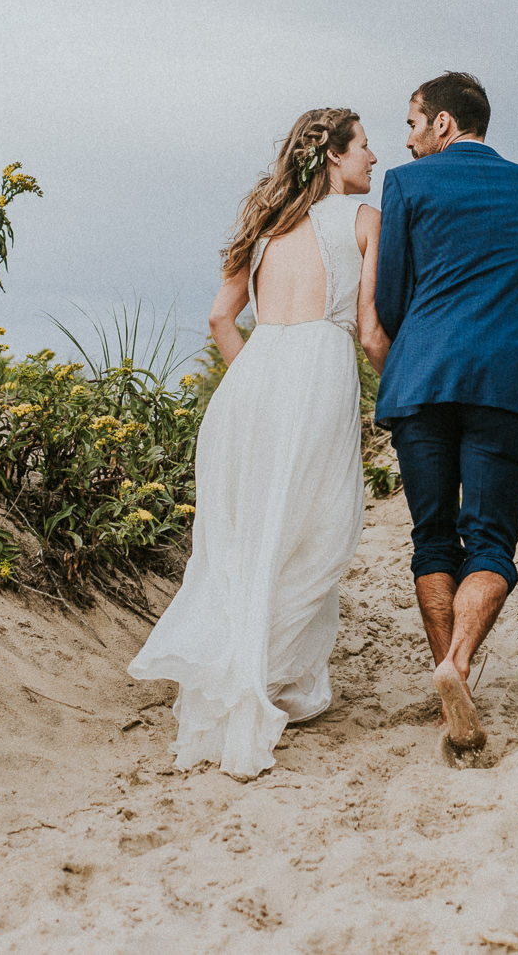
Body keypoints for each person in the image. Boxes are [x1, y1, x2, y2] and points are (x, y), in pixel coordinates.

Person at [129, 108, 389, 778]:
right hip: (318, 381)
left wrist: (254, 380)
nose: (374, 156)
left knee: (248, 538)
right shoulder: (365, 222)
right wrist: (402, 386)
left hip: (251, 385)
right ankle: (262, 676)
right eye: (363, 146)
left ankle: (254, 674)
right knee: (320, 535)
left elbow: (221, 317)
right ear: (332, 155)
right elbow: (368, 333)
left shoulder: (265, 228)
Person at [374, 72, 518, 755]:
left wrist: (416, 349)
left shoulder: (408, 186)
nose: (408, 139)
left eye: (414, 123)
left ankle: (449, 680)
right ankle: (460, 666)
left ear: (444, 123)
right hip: (505, 383)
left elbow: (390, 299)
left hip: (421, 381)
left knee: (434, 538)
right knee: (492, 543)